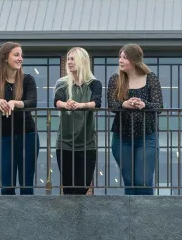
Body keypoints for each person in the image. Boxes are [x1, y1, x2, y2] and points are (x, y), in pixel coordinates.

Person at [0, 41, 39, 194]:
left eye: (21, 55)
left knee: (27, 186)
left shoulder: (28, 79)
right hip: (4, 136)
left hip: (27, 135)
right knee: (7, 186)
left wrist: (15, 102)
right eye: (16, 55)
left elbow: (32, 102)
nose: (20, 58)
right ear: (5, 58)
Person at [107, 43, 163, 195]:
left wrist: (144, 104)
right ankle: (130, 217)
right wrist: (124, 104)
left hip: (147, 137)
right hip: (122, 137)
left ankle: (146, 217)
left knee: (143, 181)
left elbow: (159, 106)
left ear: (134, 60)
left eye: (124, 57)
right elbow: (111, 105)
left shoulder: (151, 78)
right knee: (130, 182)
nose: (120, 60)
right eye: (120, 57)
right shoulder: (115, 79)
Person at [54, 47, 102, 195]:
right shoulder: (62, 83)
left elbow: (96, 103)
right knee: (68, 187)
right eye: (68, 59)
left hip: (87, 143)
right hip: (65, 142)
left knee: (83, 186)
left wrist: (81, 105)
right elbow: (57, 102)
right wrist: (67, 104)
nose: (69, 62)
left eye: (72, 59)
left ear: (82, 61)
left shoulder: (94, 83)